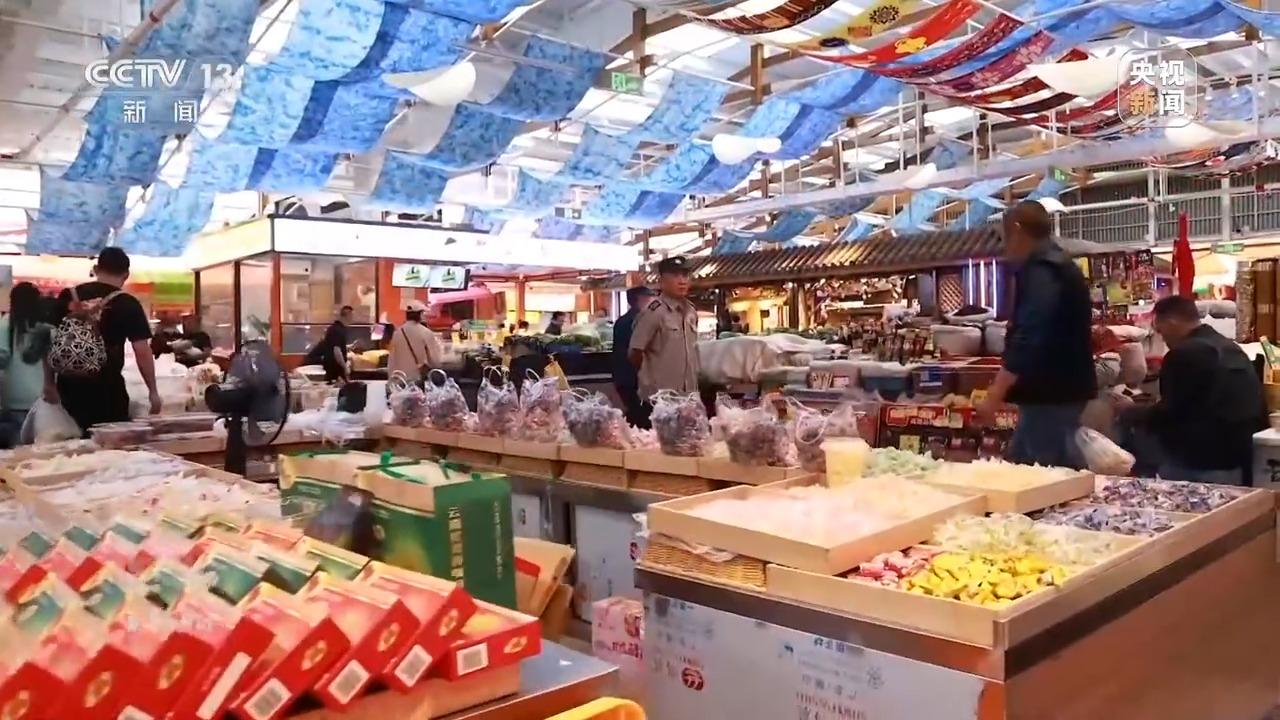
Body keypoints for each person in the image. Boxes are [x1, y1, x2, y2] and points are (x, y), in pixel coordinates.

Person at [976, 201, 1095, 468]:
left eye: (1005, 237)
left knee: (1049, 471)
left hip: (1050, 391)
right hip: (1060, 388)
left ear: (1017, 230)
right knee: (1024, 462)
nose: (1005, 247)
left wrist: (996, 392)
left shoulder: (1043, 270)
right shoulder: (1058, 263)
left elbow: (1030, 334)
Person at [1116, 295, 1265, 485]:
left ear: (1171, 322)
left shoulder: (1184, 353)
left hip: (1202, 461)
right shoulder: (1229, 347)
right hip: (1240, 457)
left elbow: (1169, 414)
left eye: (1160, 331)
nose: (1162, 338)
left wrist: (1130, 410)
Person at [47, 247, 160, 433]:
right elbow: (142, 350)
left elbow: (50, 340)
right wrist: (153, 391)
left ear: (96, 269)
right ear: (126, 274)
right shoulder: (127, 303)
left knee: (69, 444)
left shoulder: (69, 295)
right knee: (109, 444)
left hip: (68, 387)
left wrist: (48, 383)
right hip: (108, 389)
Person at [630, 256, 699, 405]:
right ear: (661, 280)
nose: (682, 281)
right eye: (675, 275)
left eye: (685, 275)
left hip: (688, 397)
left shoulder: (691, 311)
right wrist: (651, 376)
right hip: (660, 399)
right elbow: (635, 352)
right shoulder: (654, 311)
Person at [0, 283, 51, 444]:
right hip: (41, 397)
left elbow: (2, 358)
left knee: (17, 447)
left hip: (13, 396)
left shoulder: (6, 323)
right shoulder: (46, 327)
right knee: (40, 447)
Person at [612, 286, 656, 428]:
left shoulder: (622, 321)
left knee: (636, 413)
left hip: (623, 377)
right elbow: (637, 352)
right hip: (634, 377)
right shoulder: (639, 321)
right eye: (650, 297)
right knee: (643, 416)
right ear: (640, 299)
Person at [388, 300, 444, 383]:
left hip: (400, 380)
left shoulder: (397, 333)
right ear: (420, 315)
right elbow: (435, 361)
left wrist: (391, 378)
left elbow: (391, 360)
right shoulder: (426, 332)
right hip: (417, 379)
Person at [303, 305, 353, 383]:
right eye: (352, 316)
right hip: (334, 366)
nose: (353, 319)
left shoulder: (334, 328)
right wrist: (344, 366)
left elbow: (334, 346)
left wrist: (349, 347)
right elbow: (337, 351)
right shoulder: (338, 330)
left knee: (335, 385)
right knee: (342, 385)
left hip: (331, 365)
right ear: (348, 316)